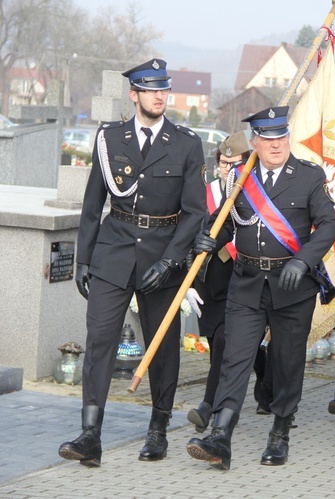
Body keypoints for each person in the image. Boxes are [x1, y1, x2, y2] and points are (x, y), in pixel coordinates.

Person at [59, 59, 206, 466]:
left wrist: (173, 259)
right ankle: (91, 434)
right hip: (114, 249)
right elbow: (93, 203)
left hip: (163, 254)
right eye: (151, 89)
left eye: (164, 89)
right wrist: (82, 260)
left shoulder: (186, 143)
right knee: (100, 341)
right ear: (134, 94)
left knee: (162, 348)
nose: (160, 95)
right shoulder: (110, 138)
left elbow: (195, 212)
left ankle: (158, 430)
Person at [185, 106, 335, 470]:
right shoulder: (241, 177)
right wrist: (208, 238)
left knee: (286, 363)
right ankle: (221, 434)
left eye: (281, 137)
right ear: (254, 142)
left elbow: (328, 226)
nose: (276, 145)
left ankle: (280, 432)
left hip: (291, 285)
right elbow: (226, 220)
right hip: (247, 283)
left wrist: (303, 261)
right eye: (268, 139)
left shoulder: (308, 176)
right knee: (235, 359)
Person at [184, 132, 273, 431]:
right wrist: (190, 284)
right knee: (223, 346)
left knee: (225, 345)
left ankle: (209, 406)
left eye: (234, 163)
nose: (227, 169)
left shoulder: (256, 195)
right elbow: (191, 240)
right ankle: (263, 380)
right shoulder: (206, 194)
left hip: (240, 281)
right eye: (223, 163)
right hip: (210, 281)